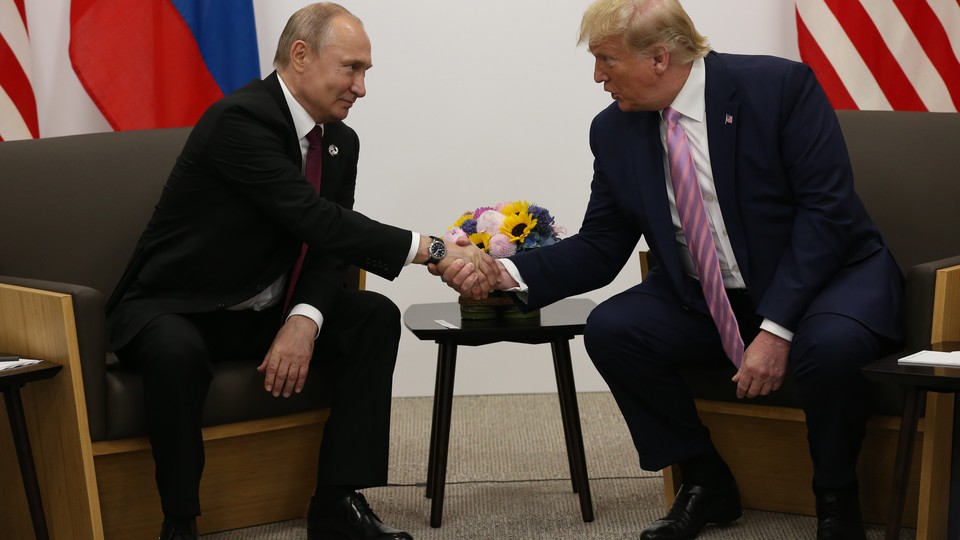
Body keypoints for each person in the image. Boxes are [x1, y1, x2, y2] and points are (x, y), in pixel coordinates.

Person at [437, 1, 903, 539]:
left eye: (606, 60)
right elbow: (602, 246)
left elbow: (827, 214)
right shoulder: (614, 131)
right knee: (615, 330)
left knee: (830, 347)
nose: (597, 77)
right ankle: (705, 481)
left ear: (660, 57)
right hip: (712, 296)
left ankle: (837, 498)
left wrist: (777, 328)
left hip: (828, 281)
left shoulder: (778, 88)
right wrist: (506, 274)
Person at [105, 4, 497, 540]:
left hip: (261, 310)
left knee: (371, 317)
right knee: (177, 352)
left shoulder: (339, 141)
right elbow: (314, 217)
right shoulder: (239, 121)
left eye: (366, 72)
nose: (361, 88)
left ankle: (338, 504)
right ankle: (180, 521)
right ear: (300, 55)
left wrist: (305, 318)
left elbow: (327, 249)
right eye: (351, 68)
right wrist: (429, 250)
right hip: (177, 307)